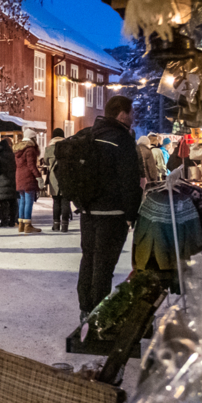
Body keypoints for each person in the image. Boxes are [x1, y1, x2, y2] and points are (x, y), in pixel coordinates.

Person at [76, 95, 145, 321]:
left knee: (88, 259)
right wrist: (131, 213)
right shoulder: (122, 139)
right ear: (122, 113)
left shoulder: (91, 135)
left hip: (88, 211)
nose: (134, 117)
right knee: (104, 264)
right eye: (132, 112)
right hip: (113, 213)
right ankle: (98, 314)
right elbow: (129, 180)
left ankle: (85, 308)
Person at [13, 128, 43, 234]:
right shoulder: (30, 149)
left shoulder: (18, 150)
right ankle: (28, 225)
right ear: (33, 138)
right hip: (28, 177)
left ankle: (21, 224)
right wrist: (38, 176)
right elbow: (31, 165)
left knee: (22, 200)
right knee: (29, 200)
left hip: (19, 177)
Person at [44, 128, 72, 232]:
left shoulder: (49, 148)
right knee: (65, 200)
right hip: (66, 176)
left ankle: (56, 224)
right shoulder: (68, 147)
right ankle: (65, 225)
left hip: (54, 177)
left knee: (56, 201)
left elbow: (46, 161)